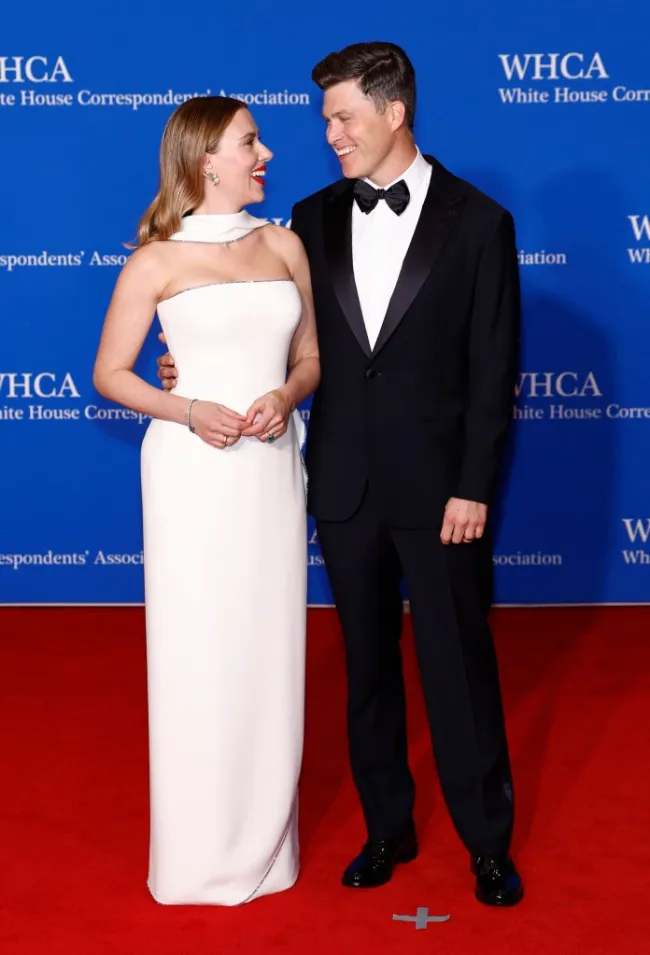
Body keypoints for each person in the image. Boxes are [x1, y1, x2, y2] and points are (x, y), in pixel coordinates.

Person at [158, 42, 523, 907]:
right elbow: (283, 341)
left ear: (395, 113)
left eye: (343, 117)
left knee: (458, 667)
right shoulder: (308, 219)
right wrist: (191, 379)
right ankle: (386, 826)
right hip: (343, 486)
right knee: (366, 670)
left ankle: (486, 842)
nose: (329, 135)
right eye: (325, 119)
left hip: (444, 496)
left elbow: (493, 368)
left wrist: (474, 484)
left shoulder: (480, 222)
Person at [93, 96, 320, 906]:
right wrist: (188, 410)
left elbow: (311, 356)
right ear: (204, 160)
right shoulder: (154, 262)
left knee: (267, 642)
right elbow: (112, 374)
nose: (267, 153)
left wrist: (288, 394)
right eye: (249, 141)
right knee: (197, 647)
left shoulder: (284, 243)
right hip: (191, 472)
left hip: (267, 468)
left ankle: (268, 841)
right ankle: (194, 851)